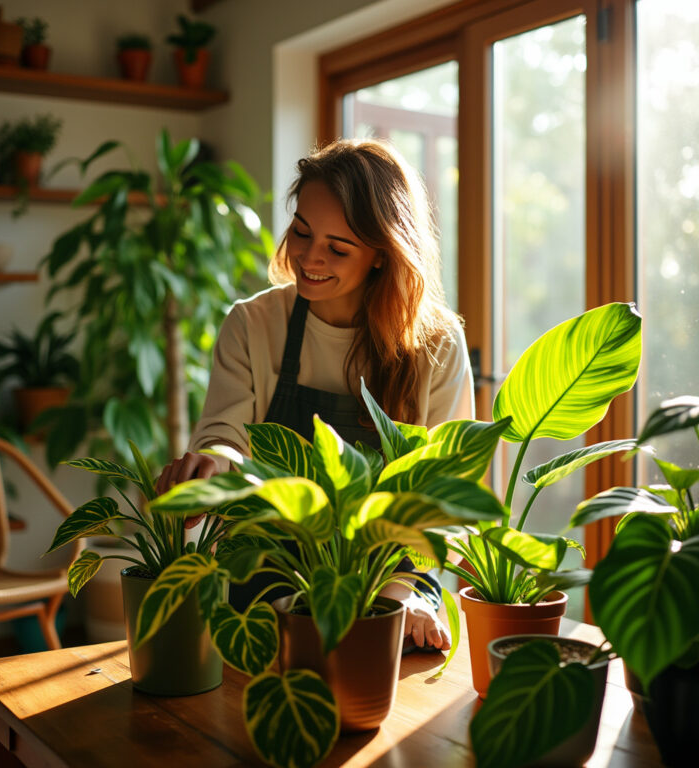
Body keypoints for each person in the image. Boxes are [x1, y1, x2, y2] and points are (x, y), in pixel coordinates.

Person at [156, 138, 475, 651]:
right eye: (301, 231)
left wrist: (401, 595)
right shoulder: (253, 324)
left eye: (338, 247)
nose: (308, 257)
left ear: (382, 254)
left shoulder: (436, 344)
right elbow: (225, 435)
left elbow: (443, 500)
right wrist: (213, 466)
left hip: (391, 591)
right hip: (265, 580)